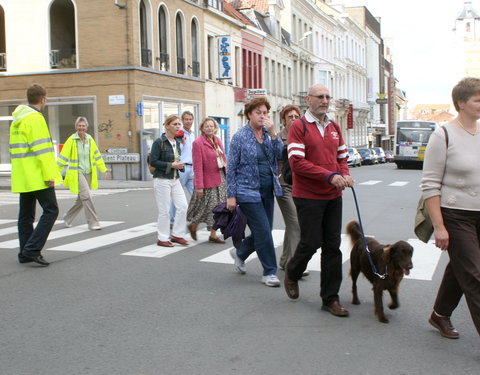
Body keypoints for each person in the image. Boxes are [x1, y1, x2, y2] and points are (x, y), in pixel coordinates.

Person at [284, 84, 354, 316]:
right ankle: (292, 272)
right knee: (311, 242)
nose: (325, 100)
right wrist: (329, 175)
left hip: (334, 195)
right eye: (320, 96)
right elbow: (296, 163)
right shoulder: (299, 126)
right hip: (308, 196)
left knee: (333, 247)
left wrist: (343, 174)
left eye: (327, 97)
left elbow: (342, 156)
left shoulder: (334, 126)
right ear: (309, 99)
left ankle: (330, 299)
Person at [422, 77, 480, 340]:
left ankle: (440, 314)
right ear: (461, 103)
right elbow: (430, 185)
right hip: (456, 214)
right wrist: (439, 226)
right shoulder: (443, 134)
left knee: (461, 268)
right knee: (475, 276)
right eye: (478, 99)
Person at [227, 97, 284, 287]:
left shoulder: (268, 135)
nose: (262, 116)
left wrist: (275, 134)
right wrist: (231, 195)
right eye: (258, 112)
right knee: (264, 232)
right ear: (249, 114)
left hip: (268, 190)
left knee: (263, 230)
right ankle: (269, 272)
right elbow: (232, 167)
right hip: (247, 191)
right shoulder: (240, 136)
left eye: (265, 112)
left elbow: (279, 155)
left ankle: (240, 253)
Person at [9, 83, 63, 266]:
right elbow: (43, 151)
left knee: (25, 215)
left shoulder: (17, 120)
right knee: (51, 210)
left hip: (23, 175)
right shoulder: (36, 119)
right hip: (38, 175)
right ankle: (32, 249)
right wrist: (50, 175)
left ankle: (24, 252)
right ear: (43, 99)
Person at [57, 117, 110, 230]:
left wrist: (104, 169)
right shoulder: (72, 140)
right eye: (79, 125)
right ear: (76, 127)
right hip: (77, 173)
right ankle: (93, 222)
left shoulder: (90, 139)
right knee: (87, 196)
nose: (81, 128)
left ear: (86, 127)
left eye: (83, 126)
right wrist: (54, 171)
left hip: (89, 173)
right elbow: (63, 157)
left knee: (81, 199)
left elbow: (97, 155)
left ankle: (67, 217)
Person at [275, 104, 308, 277]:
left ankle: (285, 260)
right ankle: (295, 265)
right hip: (283, 185)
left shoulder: (303, 136)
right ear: (283, 120)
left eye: (296, 117)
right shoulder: (278, 138)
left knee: (292, 224)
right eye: (290, 117)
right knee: (296, 223)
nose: (294, 120)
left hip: (299, 185)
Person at [150, 114, 189, 247]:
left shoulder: (177, 142)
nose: (178, 126)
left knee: (183, 206)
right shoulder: (159, 142)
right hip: (162, 179)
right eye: (175, 124)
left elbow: (175, 158)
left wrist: (179, 164)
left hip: (174, 178)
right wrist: (171, 165)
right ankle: (162, 238)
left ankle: (177, 235)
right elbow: (154, 161)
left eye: (179, 124)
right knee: (164, 210)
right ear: (167, 126)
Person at [187, 118, 227, 243]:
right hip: (207, 180)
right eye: (206, 126)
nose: (209, 128)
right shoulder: (198, 143)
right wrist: (199, 185)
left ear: (215, 127)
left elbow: (223, 158)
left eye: (211, 126)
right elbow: (197, 166)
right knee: (204, 208)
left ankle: (213, 234)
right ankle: (193, 225)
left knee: (219, 207)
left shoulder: (217, 140)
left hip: (220, 178)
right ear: (202, 128)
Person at [170, 111, 195, 225]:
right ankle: (172, 220)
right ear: (182, 121)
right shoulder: (178, 134)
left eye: (190, 119)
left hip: (192, 168)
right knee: (176, 195)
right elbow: (175, 150)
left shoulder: (193, 134)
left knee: (197, 194)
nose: (188, 121)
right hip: (182, 168)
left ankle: (197, 217)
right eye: (186, 119)